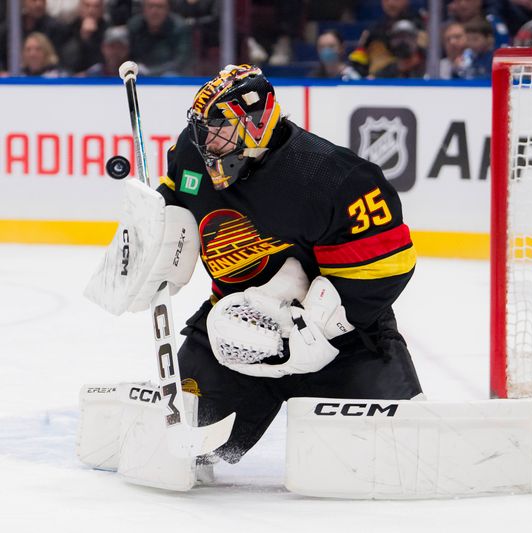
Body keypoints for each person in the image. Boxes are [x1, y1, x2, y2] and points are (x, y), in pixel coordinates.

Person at [89, 65, 423, 465]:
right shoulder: (195, 155)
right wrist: (150, 240)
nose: (205, 140)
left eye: (220, 128)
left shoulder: (334, 177)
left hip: (340, 342)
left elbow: (385, 266)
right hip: (230, 338)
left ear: (256, 121)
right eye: (202, 128)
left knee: (392, 460)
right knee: (173, 453)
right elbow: (174, 202)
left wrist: (312, 330)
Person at [127, 0, 191, 76]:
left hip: (167, 74)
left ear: (168, 10)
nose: (155, 11)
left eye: (160, 7)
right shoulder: (135, 26)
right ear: (143, 9)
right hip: (139, 73)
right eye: (150, 6)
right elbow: (129, 55)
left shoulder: (179, 27)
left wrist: (151, 71)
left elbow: (181, 60)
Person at [60, 0, 108, 73]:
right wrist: (84, 37)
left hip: (103, 78)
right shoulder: (67, 29)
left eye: (96, 6)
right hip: (73, 76)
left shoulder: (108, 30)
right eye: (87, 6)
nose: (91, 10)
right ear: (79, 8)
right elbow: (65, 60)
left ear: (102, 9)